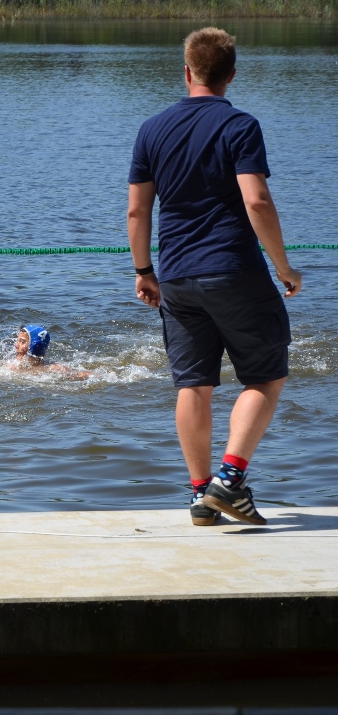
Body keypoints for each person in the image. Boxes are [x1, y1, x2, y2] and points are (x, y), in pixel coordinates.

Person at [128, 26, 301, 527]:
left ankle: (202, 495)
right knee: (266, 377)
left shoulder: (151, 129)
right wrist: (283, 267)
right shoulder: (240, 126)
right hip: (233, 270)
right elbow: (256, 200)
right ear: (231, 75)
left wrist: (144, 270)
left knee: (193, 385)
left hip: (176, 277)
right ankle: (229, 479)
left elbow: (138, 212)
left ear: (186, 72)